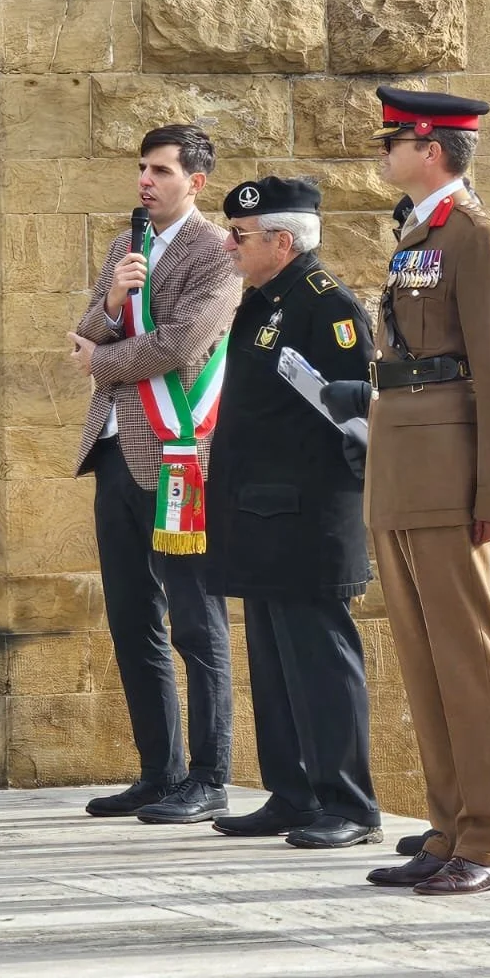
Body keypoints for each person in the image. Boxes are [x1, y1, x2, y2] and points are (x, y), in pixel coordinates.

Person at [327, 87, 490, 893]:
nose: (382, 152)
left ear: (433, 148)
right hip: (406, 465)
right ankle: (448, 826)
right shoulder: (420, 231)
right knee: (423, 658)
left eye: (393, 140)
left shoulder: (474, 236)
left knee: (471, 659)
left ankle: (489, 838)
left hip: (450, 474)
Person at [198, 177, 382, 847]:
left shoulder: (323, 304)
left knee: (321, 664)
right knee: (275, 663)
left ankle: (349, 804)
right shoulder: (263, 301)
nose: (229, 244)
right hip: (259, 515)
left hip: (308, 516)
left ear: (283, 240)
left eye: (241, 236)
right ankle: (293, 791)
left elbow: (357, 409)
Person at [69, 124, 235, 825]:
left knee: (196, 624)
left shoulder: (216, 254)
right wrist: (112, 302)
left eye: (161, 170)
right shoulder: (125, 244)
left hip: (178, 458)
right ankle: (158, 771)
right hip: (113, 452)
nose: (146, 180)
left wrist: (100, 355)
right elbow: (85, 326)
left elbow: (180, 345)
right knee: (132, 615)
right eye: (142, 167)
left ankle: (210, 775)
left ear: (195, 182)